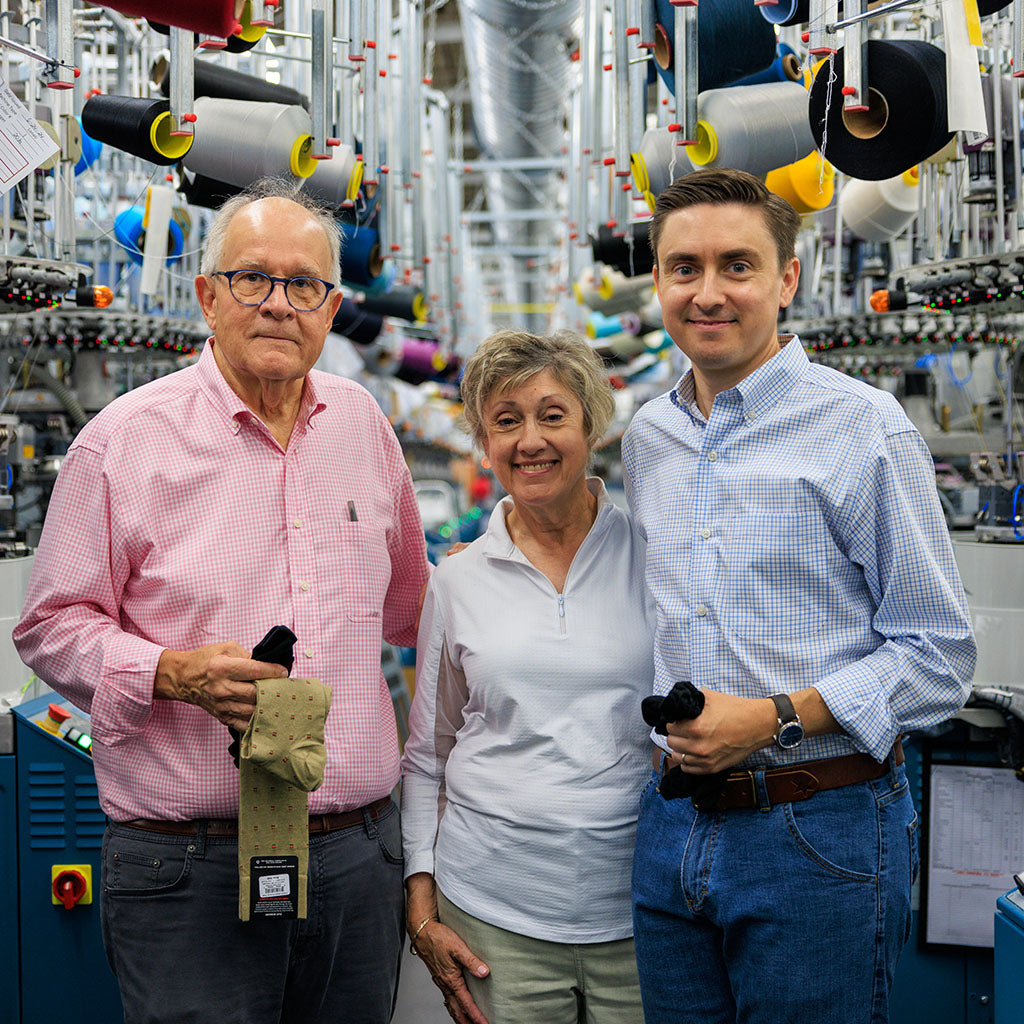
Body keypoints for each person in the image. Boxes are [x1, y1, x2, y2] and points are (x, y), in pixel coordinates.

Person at [14, 179, 430, 1024]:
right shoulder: (124, 442)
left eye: (304, 284)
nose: (280, 304)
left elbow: (416, 614)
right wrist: (169, 672)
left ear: (332, 304)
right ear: (207, 296)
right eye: (253, 279)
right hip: (188, 869)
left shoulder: (364, 428)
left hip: (354, 860)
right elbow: (49, 626)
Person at [621, 168, 976, 1024]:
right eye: (683, 268)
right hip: (672, 823)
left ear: (788, 278)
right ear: (659, 281)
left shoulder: (863, 427)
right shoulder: (649, 435)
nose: (707, 293)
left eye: (736, 266)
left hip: (820, 829)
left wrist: (774, 716)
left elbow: (941, 658)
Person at [401, 330, 654, 1024]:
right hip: (493, 915)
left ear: (591, 425)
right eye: (505, 422)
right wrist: (421, 902)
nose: (530, 440)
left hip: (640, 912)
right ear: (485, 443)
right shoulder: (457, 581)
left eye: (551, 414)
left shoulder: (655, 556)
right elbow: (428, 755)